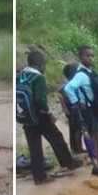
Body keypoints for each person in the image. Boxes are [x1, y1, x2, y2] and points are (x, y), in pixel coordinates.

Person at [18, 51, 80, 185]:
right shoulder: (38, 78)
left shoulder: (21, 75)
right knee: (57, 138)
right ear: (40, 64)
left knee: (34, 147)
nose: (44, 68)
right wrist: (49, 113)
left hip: (26, 117)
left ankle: (39, 177)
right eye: (44, 65)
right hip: (40, 116)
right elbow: (40, 100)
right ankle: (68, 164)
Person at [63, 46, 98, 177]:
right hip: (88, 110)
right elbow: (68, 88)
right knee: (92, 137)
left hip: (95, 109)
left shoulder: (89, 72)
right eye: (87, 56)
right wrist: (76, 102)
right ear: (80, 57)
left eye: (92, 56)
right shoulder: (81, 75)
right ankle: (96, 166)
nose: (90, 58)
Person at [59, 63, 83, 155]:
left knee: (73, 129)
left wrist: (65, 109)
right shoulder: (73, 85)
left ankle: (74, 148)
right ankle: (78, 149)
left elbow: (60, 95)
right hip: (75, 110)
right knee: (78, 130)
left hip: (70, 110)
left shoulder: (65, 86)